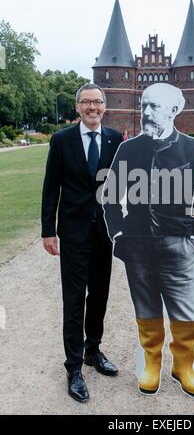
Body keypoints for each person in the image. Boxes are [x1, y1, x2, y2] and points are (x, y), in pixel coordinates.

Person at [103, 83, 194, 398]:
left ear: (173, 110)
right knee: (145, 307)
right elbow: (112, 197)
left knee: (187, 310)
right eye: (143, 106)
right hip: (137, 245)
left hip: (181, 245)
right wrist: (119, 233)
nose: (145, 112)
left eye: (152, 107)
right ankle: (152, 363)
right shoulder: (129, 150)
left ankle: (184, 366)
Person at [41, 83, 123, 402]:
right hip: (73, 233)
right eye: (86, 102)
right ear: (77, 108)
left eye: (97, 102)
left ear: (105, 107)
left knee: (99, 296)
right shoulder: (62, 140)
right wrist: (49, 230)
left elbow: (123, 184)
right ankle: (74, 367)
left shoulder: (115, 139)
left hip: (105, 232)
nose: (92, 107)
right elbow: (51, 188)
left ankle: (93, 351)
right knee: (74, 301)